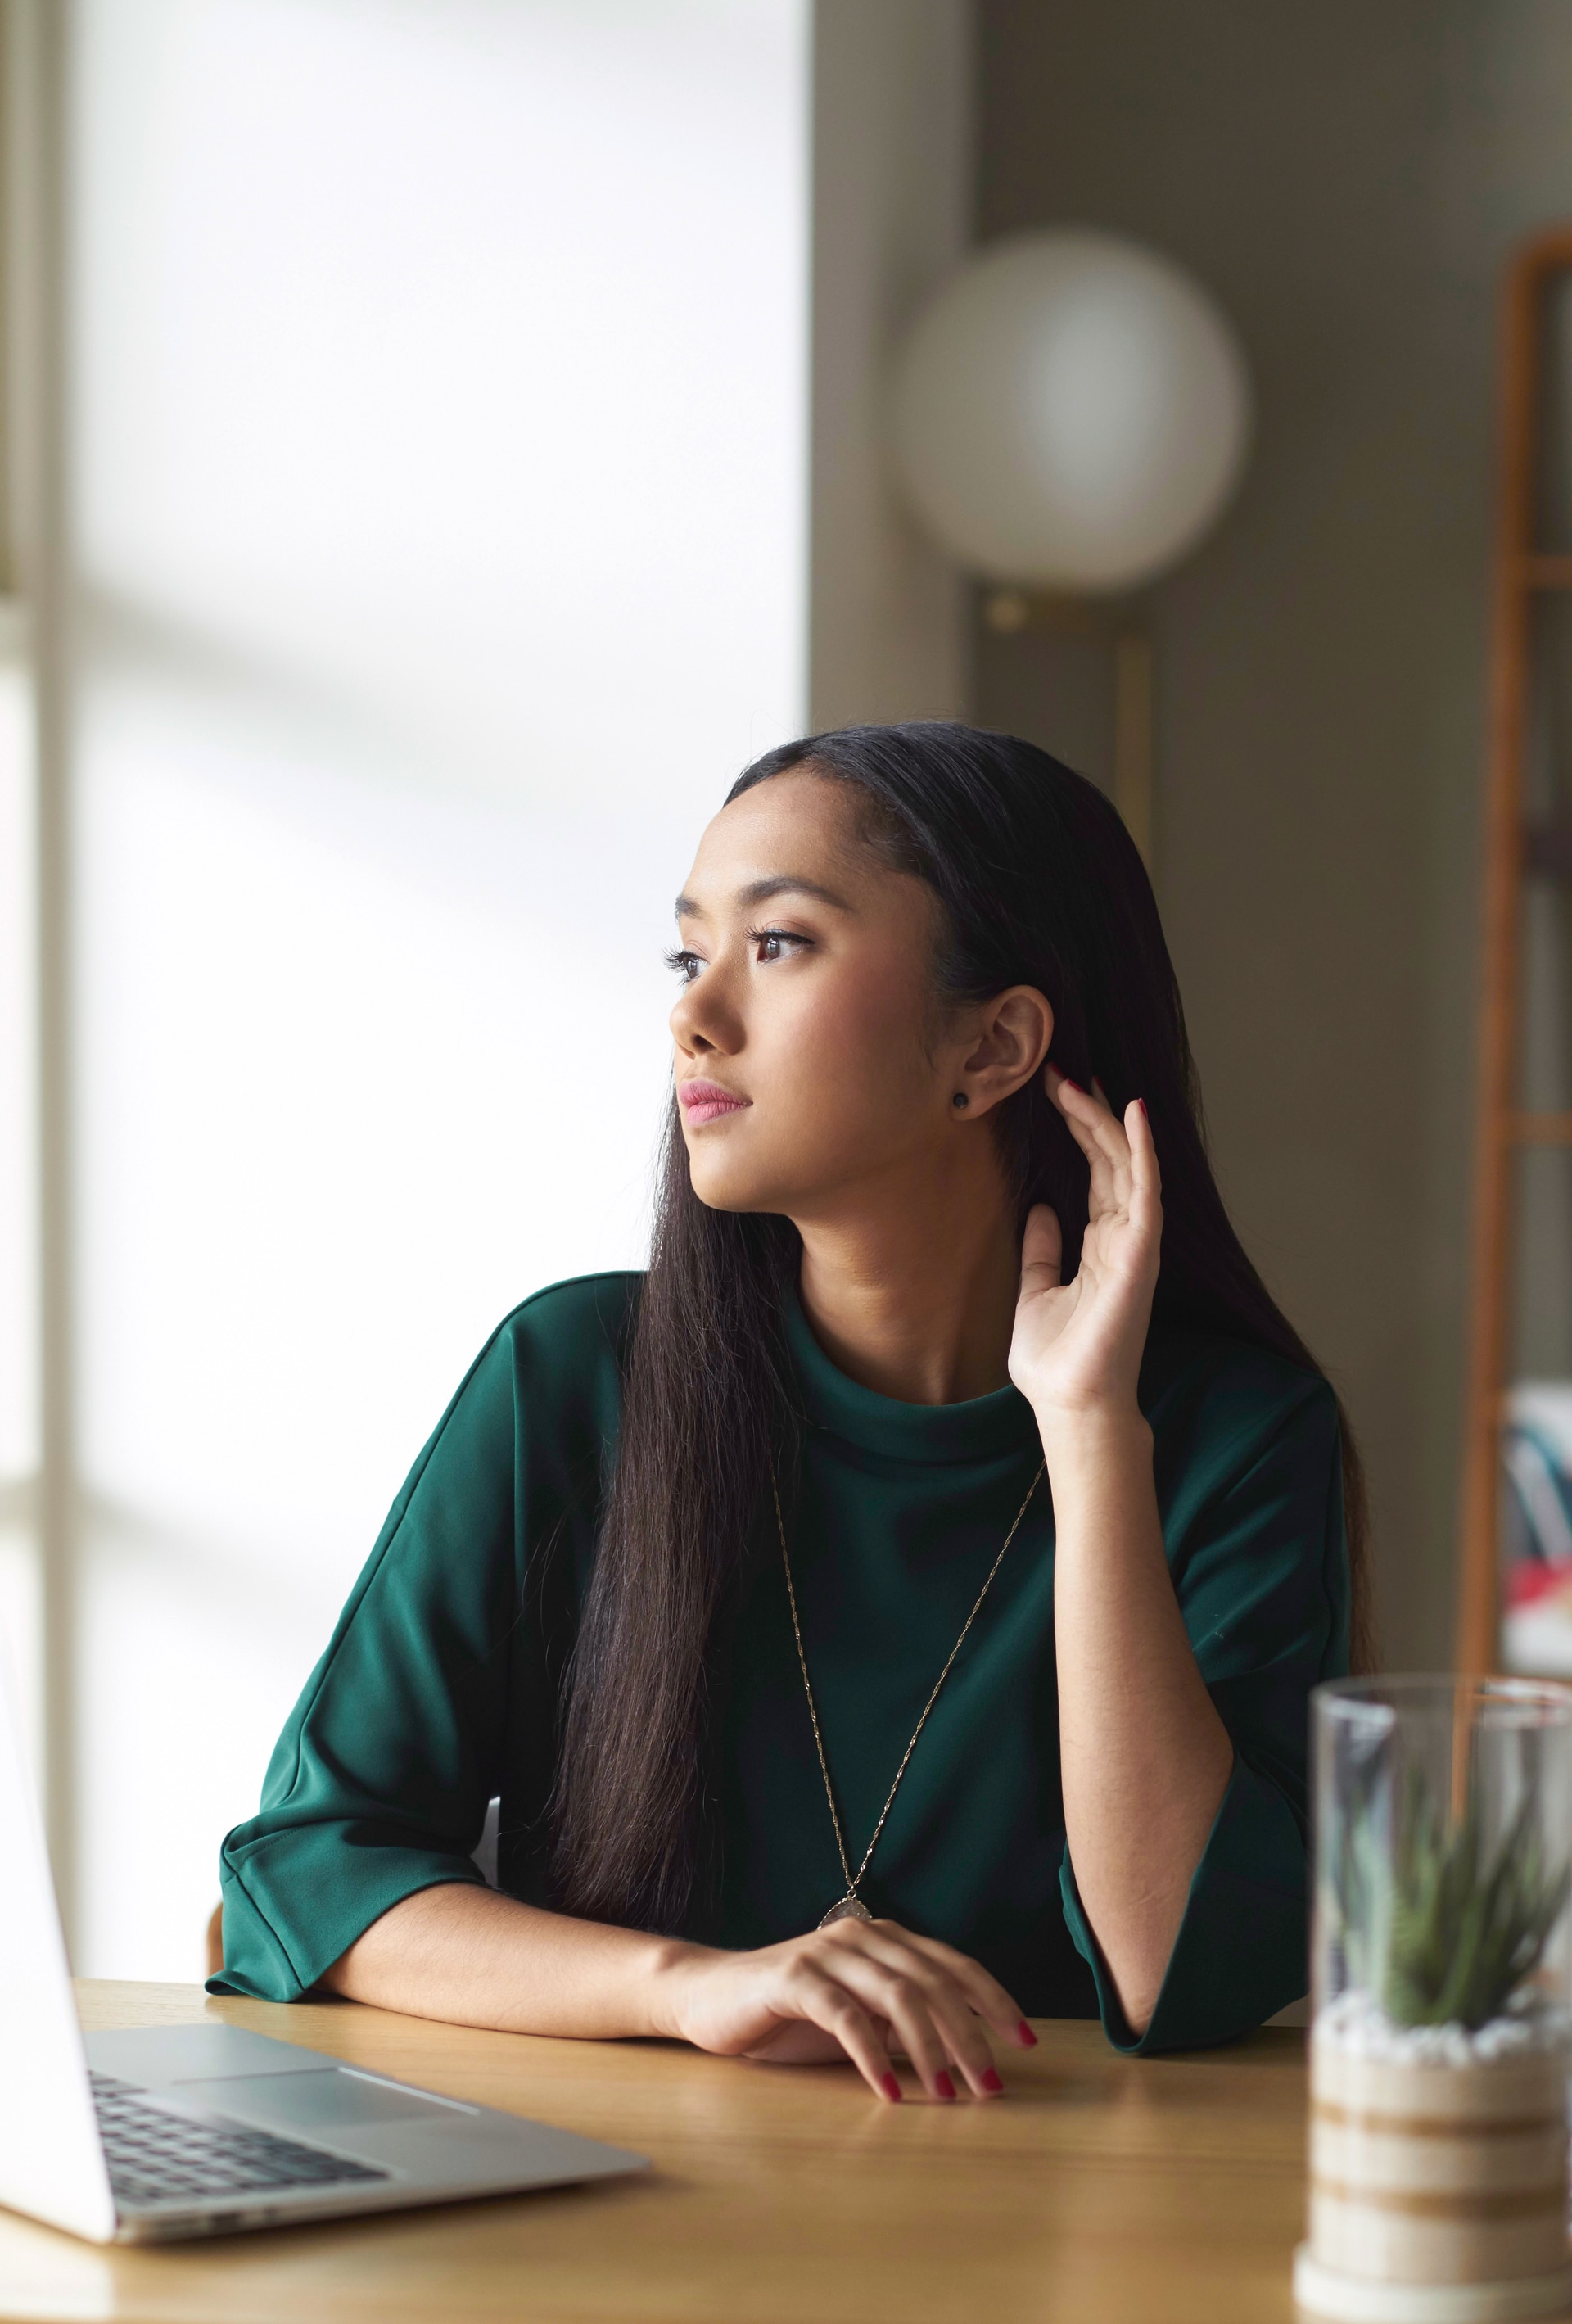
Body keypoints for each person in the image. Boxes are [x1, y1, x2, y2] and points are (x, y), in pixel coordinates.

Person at [212, 722, 1363, 2103]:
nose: (695, 1015)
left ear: (992, 1046)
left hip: (1054, 2235)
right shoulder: (570, 1378)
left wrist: (1088, 1428)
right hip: (623, 2228)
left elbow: (1181, 1971)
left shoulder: (1231, 1434)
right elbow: (306, 1867)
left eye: (780, 945)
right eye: (688, 953)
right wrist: (690, 1987)